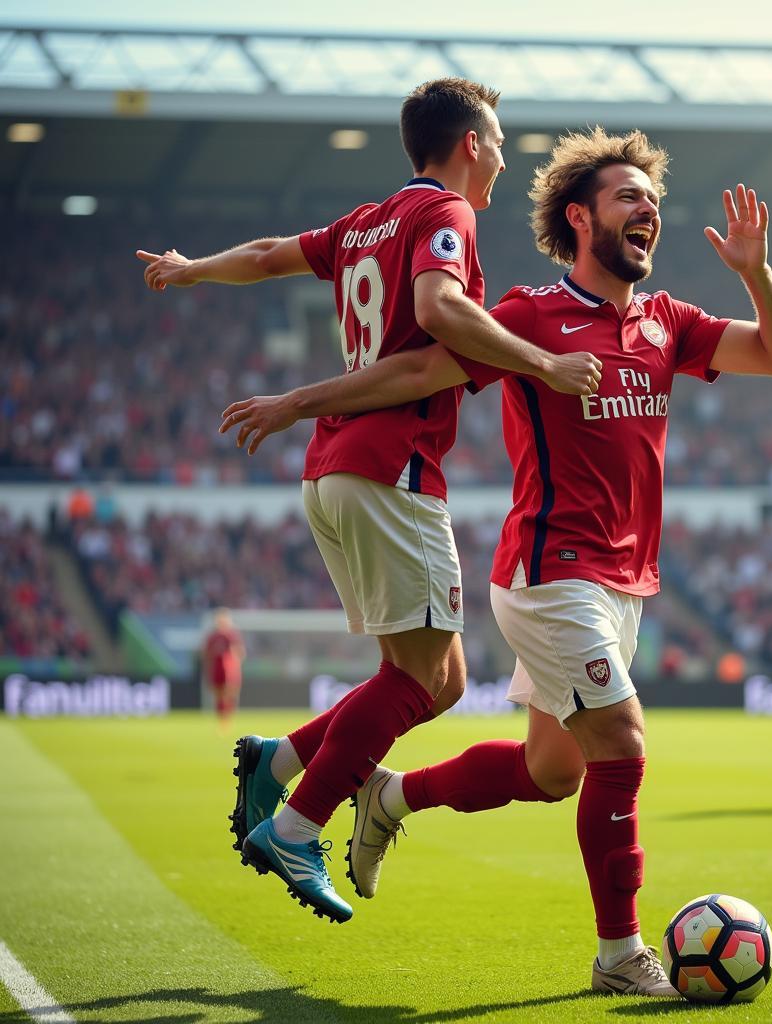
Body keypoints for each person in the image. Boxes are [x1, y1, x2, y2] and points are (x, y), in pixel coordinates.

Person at [222, 126, 772, 994]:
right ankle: (620, 956)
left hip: (625, 585)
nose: (648, 210)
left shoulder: (668, 320)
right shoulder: (533, 315)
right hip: (551, 571)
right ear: (580, 217)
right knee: (621, 742)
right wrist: (302, 402)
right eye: (627, 197)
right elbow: (418, 370)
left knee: (552, 774)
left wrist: (755, 272)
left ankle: (389, 797)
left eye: (652, 200)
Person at [138, 77, 602, 926]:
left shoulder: (363, 223)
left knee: (439, 678)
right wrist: (541, 364)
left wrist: (192, 268)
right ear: (469, 143)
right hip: (392, 470)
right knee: (424, 678)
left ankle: (277, 761)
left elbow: (274, 250)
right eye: (496, 141)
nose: (502, 157)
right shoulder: (445, 218)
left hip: (335, 473)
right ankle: (295, 824)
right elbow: (436, 314)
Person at [202, 608, 245, 730]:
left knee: (230, 694)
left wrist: (234, 659)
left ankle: (228, 719)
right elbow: (206, 654)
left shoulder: (232, 636)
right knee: (219, 695)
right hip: (217, 670)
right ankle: (222, 720)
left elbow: (240, 653)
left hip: (230, 670)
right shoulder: (213, 637)